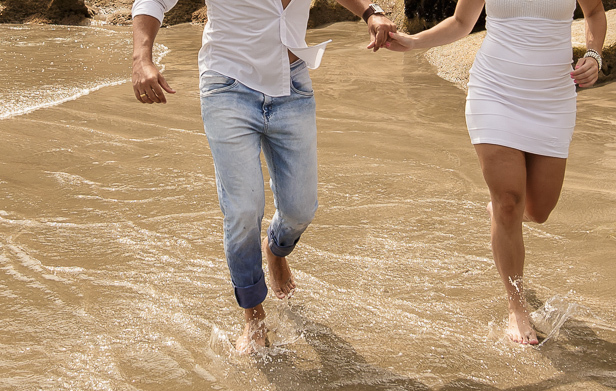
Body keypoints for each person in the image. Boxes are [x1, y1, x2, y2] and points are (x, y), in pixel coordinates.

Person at [131, 0, 396, 354]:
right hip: (228, 85)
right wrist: (142, 57)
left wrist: (370, 12)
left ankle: (275, 248)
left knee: (301, 208)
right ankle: (253, 317)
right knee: (243, 208)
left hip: (293, 86)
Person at [386, 0, 607, 345]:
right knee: (508, 201)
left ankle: (504, 214)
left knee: (539, 211)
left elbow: (594, 13)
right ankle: (516, 308)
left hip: (553, 97)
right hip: (495, 92)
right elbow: (462, 22)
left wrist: (594, 56)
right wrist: (414, 42)